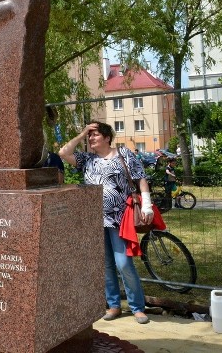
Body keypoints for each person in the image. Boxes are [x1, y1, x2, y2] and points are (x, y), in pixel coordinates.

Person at [59, 121, 152, 324]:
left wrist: (147, 205)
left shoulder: (123, 154)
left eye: (95, 135)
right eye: (89, 136)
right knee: (106, 265)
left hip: (120, 219)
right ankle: (114, 305)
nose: (91, 139)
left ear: (107, 137)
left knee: (124, 263)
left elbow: (140, 178)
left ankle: (137, 307)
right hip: (94, 220)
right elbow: (63, 153)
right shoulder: (87, 159)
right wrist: (82, 133)